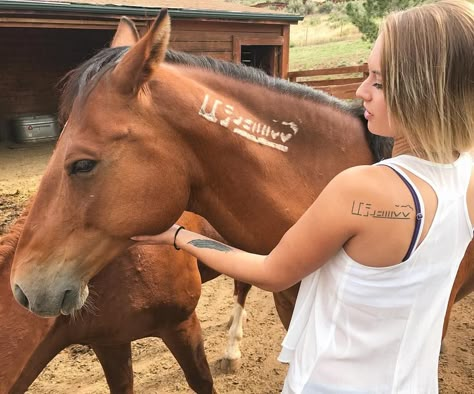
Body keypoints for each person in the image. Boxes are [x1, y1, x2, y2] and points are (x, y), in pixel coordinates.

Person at [132, 1, 474, 392]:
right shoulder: (467, 174)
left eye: (378, 82)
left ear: (424, 92)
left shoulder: (361, 189)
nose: (361, 91)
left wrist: (178, 236)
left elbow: (271, 272)